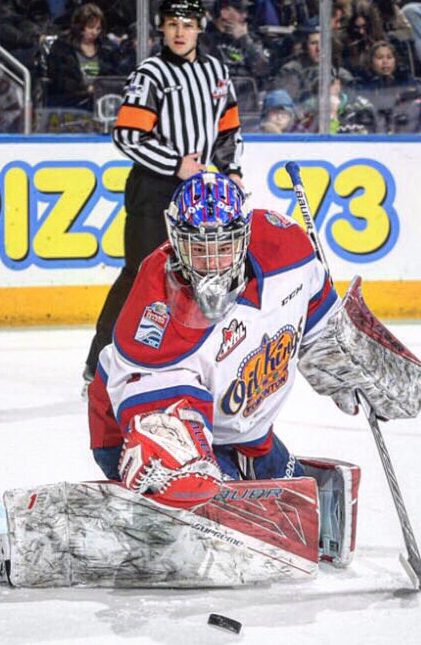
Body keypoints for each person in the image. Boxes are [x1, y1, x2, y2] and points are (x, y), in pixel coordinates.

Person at [87, 172, 340, 507]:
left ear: (246, 236)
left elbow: (317, 309)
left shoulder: (285, 249)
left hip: (238, 429)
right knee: (200, 497)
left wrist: (343, 349)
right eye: (197, 248)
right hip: (136, 429)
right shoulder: (156, 306)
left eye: (224, 246)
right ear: (175, 240)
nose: (212, 263)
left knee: (303, 509)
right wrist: (191, 468)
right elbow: (160, 418)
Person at [83, 0, 244, 385]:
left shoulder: (216, 74)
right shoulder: (150, 74)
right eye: (172, 24)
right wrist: (176, 164)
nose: (179, 32)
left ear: (200, 29)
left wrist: (233, 170)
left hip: (197, 193)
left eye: (187, 25)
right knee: (140, 277)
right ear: (162, 28)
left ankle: (181, 358)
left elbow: (229, 130)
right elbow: (127, 136)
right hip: (153, 190)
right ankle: (99, 362)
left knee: (198, 275)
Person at [45, 3, 118, 110]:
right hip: (70, 104)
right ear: (80, 26)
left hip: (102, 103)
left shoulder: (106, 49)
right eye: (91, 27)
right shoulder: (62, 48)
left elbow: (115, 76)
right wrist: (86, 89)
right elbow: (59, 80)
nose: (94, 32)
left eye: (98, 29)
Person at [353, 40, 421, 132]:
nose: (385, 62)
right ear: (371, 62)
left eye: (389, 57)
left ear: (395, 60)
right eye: (379, 58)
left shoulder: (407, 82)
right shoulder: (362, 85)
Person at [199, 0, 271, 83]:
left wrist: (244, 39)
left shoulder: (251, 38)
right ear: (224, 12)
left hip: (249, 92)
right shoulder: (205, 37)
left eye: (246, 11)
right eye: (240, 11)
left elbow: (263, 70)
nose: (245, 16)